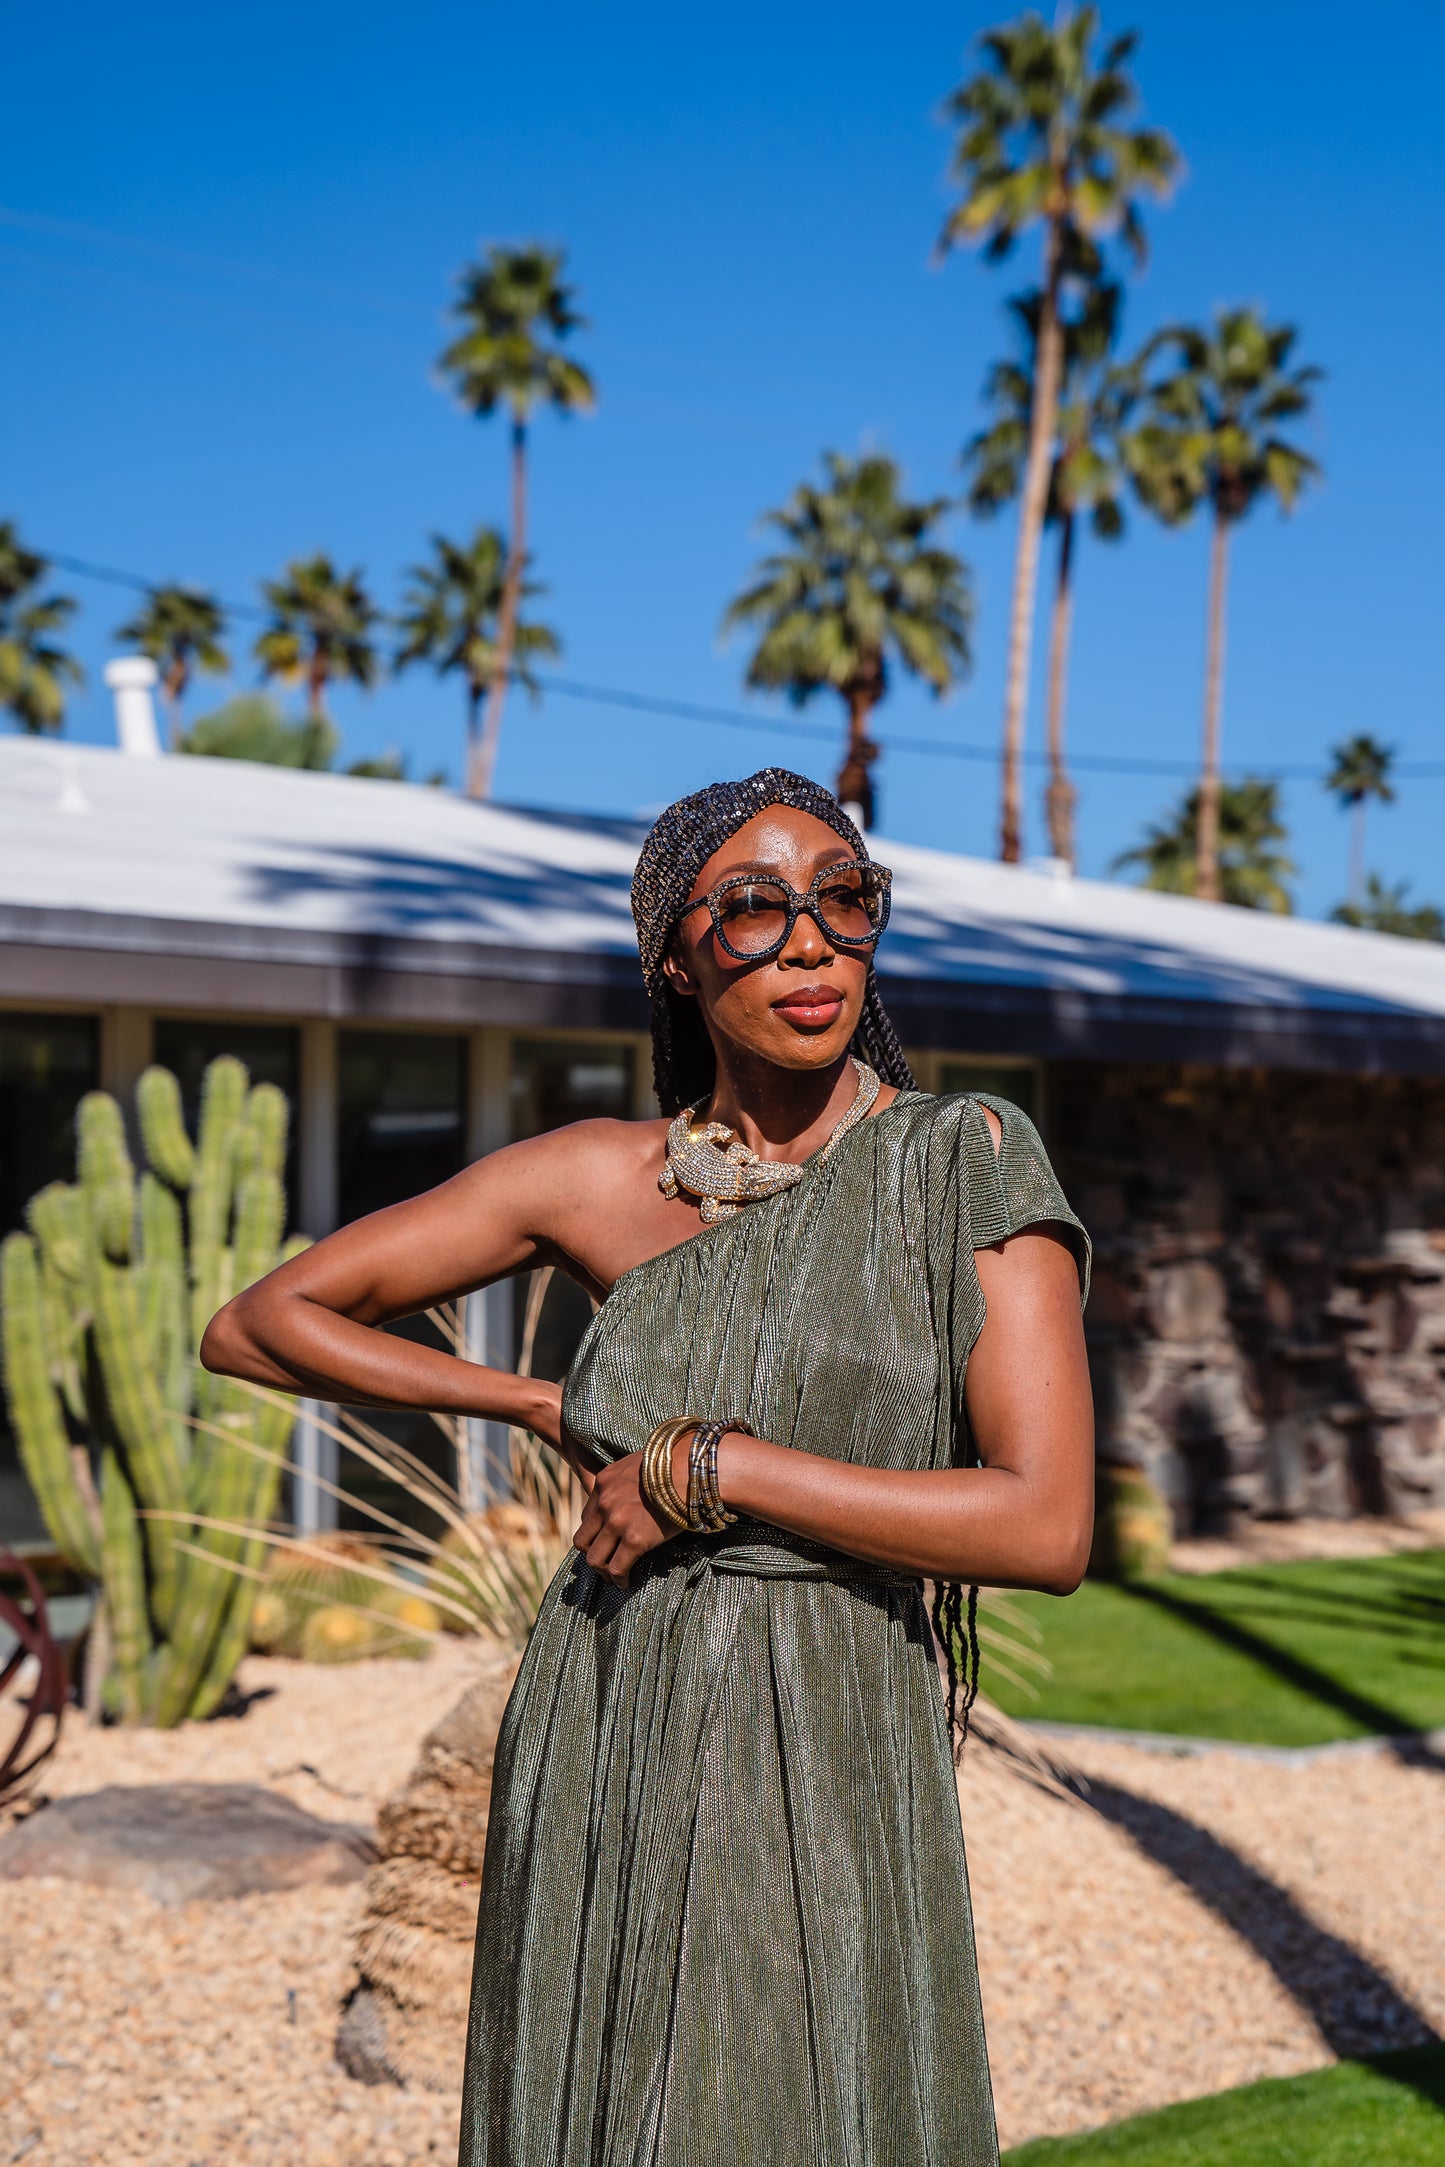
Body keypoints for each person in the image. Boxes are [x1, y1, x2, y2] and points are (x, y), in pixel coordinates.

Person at [202, 767, 1094, 2167]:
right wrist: (536, 1402)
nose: (808, 943)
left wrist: (718, 1470)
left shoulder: (960, 1161)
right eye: (752, 910)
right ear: (675, 961)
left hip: (833, 1713)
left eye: (844, 900)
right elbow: (257, 1325)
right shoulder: (598, 1179)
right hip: (609, 1705)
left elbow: (1044, 1526)